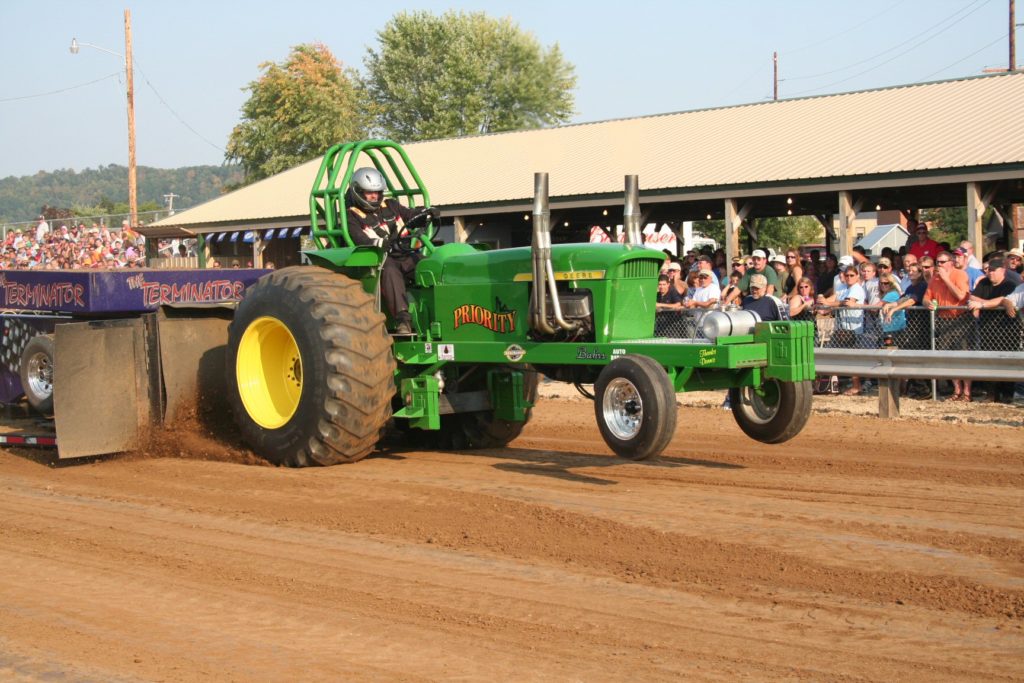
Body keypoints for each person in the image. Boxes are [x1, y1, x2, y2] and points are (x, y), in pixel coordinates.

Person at [346, 166, 436, 334]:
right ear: (358, 192)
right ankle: (403, 320)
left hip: (405, 254)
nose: (375, 196)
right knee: (390, 269)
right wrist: (380, 243)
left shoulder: (391, 205)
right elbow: (358, 238)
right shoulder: (352, 215)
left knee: (431, 265)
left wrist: (425, 213)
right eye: (369, 192)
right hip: (381, 259)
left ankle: (439, 314)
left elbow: (410, 215)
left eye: (378, 192)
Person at [967, 258, 1020, 403]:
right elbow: (972, 297)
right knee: (989, 362)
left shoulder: (1009, 284)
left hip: (1007, 330)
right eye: (988, 270)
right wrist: (984, 303)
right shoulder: (984, 282)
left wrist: (981, 304)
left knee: (1008, 362)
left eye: (993, 270)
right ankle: (991, 394)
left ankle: (1007, 395)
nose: (990, 273)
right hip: (987, 329)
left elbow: (1004, 299)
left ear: (1002, 270)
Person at [925, 251, 970, 401]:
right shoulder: (934, 278)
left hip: (960, 319)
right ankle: (957, 390)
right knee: (949, 358)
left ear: (951, 262)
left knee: (963, 357)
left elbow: (961, 296)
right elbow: (926, 298)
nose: (939, 265)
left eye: (942, 262)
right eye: (937, 262)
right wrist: (928, 304)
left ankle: (967, 392)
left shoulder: (960, 275)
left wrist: (946, 279)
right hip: (943, 320)